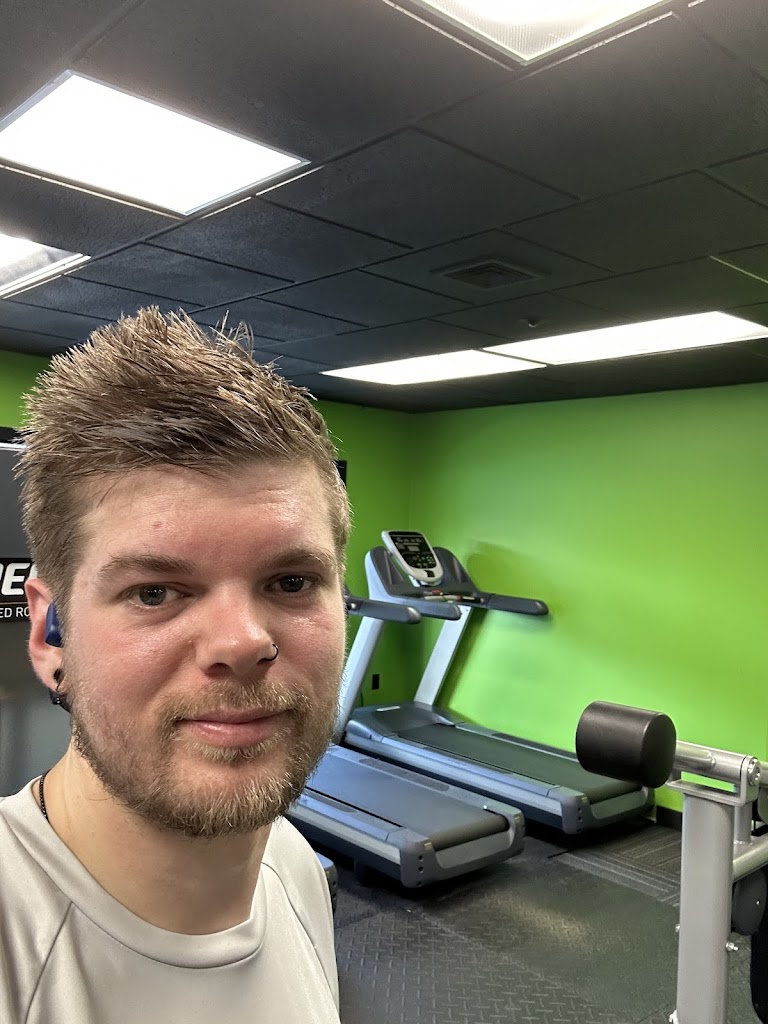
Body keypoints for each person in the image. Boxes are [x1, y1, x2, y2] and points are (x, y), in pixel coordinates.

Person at [0, 307, 351, 1024]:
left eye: (291, 582)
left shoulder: (290, 863)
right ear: (50, 634)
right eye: (154, 592)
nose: (243, 642)